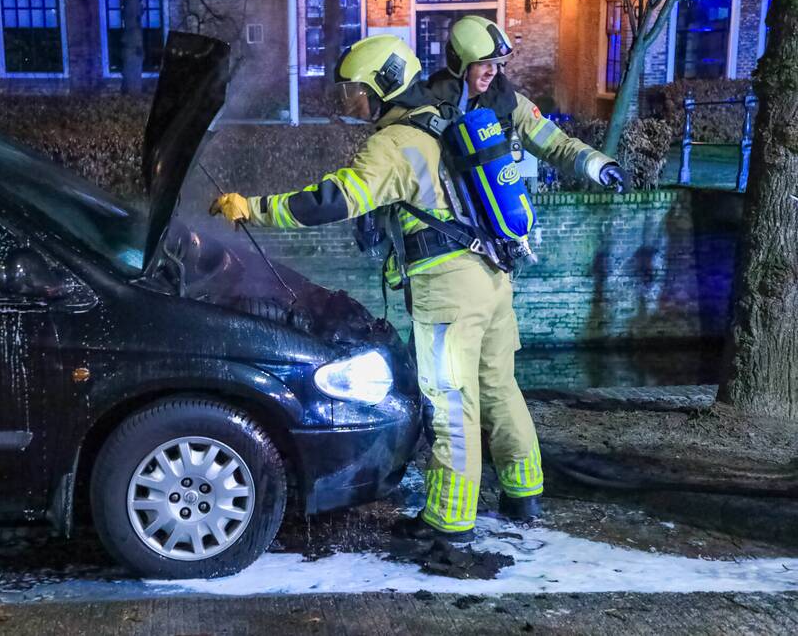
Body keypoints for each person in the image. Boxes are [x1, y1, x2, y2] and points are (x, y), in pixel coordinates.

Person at [210, 34, 621, 542]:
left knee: (451, 402)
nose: (352, 103)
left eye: (356, 92)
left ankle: (449, 523)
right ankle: (524, 491)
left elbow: (334, 200)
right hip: (492, 276)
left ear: (383, 84)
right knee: (498, 388)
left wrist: (257, 207)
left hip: (448, 288)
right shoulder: (439, 122)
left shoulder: (395, 144)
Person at [422, 15, 626, 191]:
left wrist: (599, 166)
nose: (492, 71)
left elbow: (555, 144)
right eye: (484, 63)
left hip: (492, 212)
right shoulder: (426, 106)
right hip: (444, 219)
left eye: (497, 64)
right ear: (460, 63)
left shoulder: (509, 104)